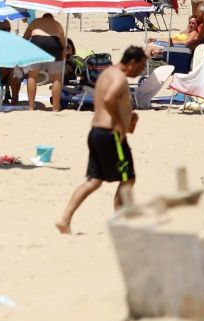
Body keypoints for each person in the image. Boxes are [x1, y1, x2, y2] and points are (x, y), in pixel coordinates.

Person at [56, 45, 149, 233]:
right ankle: (119, 223)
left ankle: (65, 218)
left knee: (94, 180)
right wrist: (119, 124)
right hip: (110, 134)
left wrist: (128, 117)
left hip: (96, 132)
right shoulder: (119, 77)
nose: (141, 71)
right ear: (132, 62)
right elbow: (109, 98)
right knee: (128, 178)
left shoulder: (107, 74)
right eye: (141, 67)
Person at [24, 12, 67, 111]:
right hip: (54, 42)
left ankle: (31, 107)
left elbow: (25, 38)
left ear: (43, 18)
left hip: (37, 41)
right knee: (56, 78)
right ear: (52, 18)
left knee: (32, 77)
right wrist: (62, 58)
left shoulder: (35, 22)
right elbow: (64, 46)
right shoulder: (57, 24)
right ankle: (55, 108)